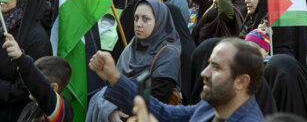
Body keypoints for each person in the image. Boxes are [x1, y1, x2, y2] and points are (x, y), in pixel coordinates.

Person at [89, 37, 264, 122]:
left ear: (241, 82)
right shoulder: (212, 105)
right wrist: (114, 77)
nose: (204, 72)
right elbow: (165, 113)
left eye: (216, 67)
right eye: (209, 64)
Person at [86, 0, 181, 121]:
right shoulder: (134, 44)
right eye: (136, 18)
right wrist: (110, 111)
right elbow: (113, 84)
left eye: (145, 19)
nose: (138, 24)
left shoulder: (168, 53)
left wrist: (119, 112)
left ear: (159, 22)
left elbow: (156, 98)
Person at [2, 33, 74, 122]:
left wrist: (21, 59)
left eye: (37, 78)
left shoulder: (60, 108)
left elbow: (42, 89)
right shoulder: (29, 107)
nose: (30, 83)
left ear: (54, 87)